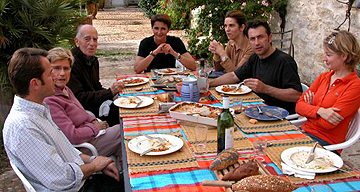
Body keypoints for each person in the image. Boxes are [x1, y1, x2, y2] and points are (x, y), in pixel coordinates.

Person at [3, 48, 123, 191]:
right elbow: (61, 178)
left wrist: (94, 161)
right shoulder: (23, 127)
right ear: (35, 84)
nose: (55, 77)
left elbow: (66, 150)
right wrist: (94, 166)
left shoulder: (39, 110)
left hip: (82, 180)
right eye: (50, 73)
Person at [209, 19, 302, 114]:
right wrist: (208, 84)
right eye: (252, 39)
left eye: (260, 37)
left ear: (270, 38)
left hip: (279, 115)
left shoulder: (285, 61)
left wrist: (265, 89)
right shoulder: (255, 58)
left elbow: (297, 95)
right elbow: (234, 76)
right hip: (257, 109)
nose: (256, 43)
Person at [44, 47, 122, 158]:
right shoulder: (50, 99)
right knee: (122, 131)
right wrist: (95, 128)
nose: (62, 73)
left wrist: (93, 120)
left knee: (122, 142)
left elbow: (81, 111)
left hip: (90, 135)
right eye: (56, 68)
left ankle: (126, 172)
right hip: (80, 149)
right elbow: (72, 136)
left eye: (66, 68)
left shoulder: (65, 89)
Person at [296, 31, 360, 147]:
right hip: (305, 132)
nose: (324, 59)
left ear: (344, 56)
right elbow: (299, 106)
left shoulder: (355, 86)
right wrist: (320, 111)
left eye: (328, 55)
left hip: (325, 143)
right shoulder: (324, 77)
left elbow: (328, 123)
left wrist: (310, 110)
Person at [67, 24, 124, 127]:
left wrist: (113, 94)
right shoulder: (71, 63)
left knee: (126, 106)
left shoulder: (93, 60)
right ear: (77, 42)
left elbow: (96, 87)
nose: (92, 44)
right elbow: (79, 98)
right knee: (124, 116)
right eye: (87, 39)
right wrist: (109, 92)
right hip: (86, 113)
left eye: (95, 39)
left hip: (97, 105)